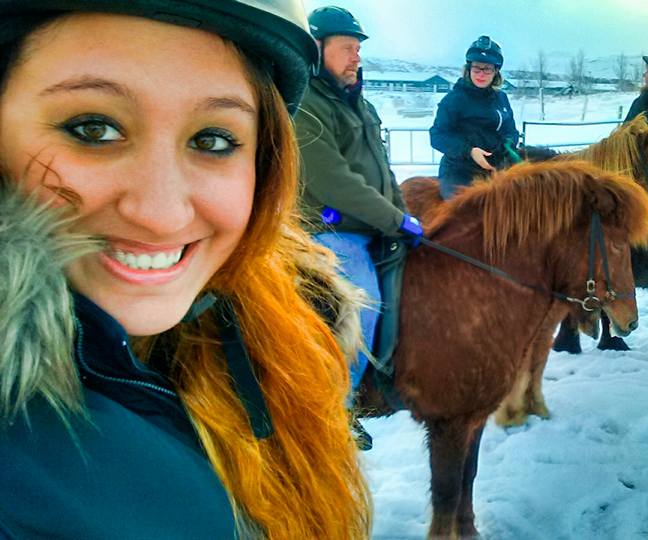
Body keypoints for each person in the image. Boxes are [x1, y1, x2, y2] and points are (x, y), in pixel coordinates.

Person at [0, 1, 370, 538]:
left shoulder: (365, 104)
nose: (161, 214)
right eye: (93, 128)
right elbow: (338, 175)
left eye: (213, 140)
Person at [295, 6, 422, 406]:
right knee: (360, 305)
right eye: (348, 47)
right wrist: (394, 219)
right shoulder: (304, 104)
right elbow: (334, 181)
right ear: (316, 49)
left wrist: (404, 214)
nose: (356, 57)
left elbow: (383, 171)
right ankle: (339, 408)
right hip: (329, 230)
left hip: (373, 223)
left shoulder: (361, 105)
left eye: (358, 50)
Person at [430, 35, 521, 199]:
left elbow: (511, 131)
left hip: (496, 168)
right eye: (476, 68)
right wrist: (470, 152)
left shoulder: (501, 98)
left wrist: (508, 144)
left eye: (487, 69)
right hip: (459, 172)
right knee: (463, 215)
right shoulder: (454, 99)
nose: (481, 74)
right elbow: (437, 136)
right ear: (468, 70)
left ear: (495, 72)